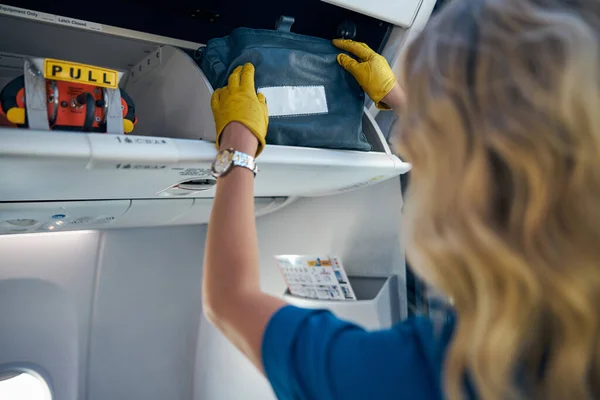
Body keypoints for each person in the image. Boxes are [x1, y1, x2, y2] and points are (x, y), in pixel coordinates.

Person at [203, 0, 600, 398]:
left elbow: (229, 300)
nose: (407, 142)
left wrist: (238, 148)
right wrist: (399, 98)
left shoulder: (429, 372)